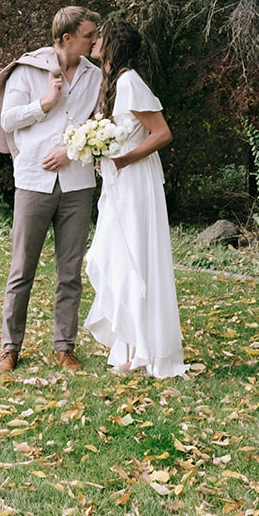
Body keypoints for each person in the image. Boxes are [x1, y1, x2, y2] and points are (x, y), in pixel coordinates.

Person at [0, 6, 101, 373]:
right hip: (33, 182)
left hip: (78, 184)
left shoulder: (95, 77)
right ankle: (9, 348)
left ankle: (65, 347)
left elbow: (102, 123)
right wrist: (45, 104)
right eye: (89, 35)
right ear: (66, 39)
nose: (96, 40)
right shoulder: (28, 70)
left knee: (70, 272)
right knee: (22, 270)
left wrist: (72, 150)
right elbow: (7, 118)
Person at [82, 20, 188, 378]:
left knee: (135, 256)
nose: (94, 40)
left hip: (135, 179)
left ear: (112, 44)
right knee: (116, 254)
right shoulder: (109, 84)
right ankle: (127, 345)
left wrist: (125, 158)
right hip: (116, 182)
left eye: (100, 36)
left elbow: (161, 133)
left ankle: (146, 350)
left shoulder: (129, 81)